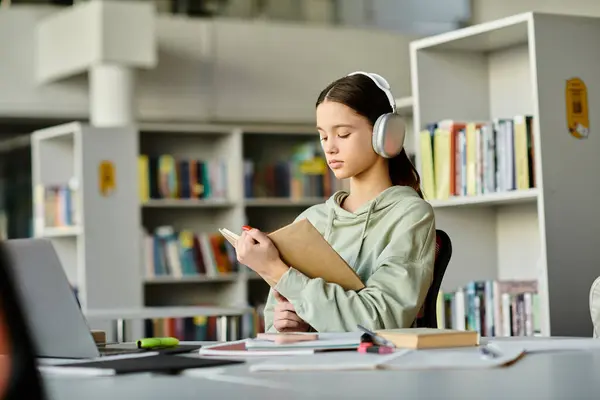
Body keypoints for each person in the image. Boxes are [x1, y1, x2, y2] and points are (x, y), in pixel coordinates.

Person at [235, 71, 436, 333]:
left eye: (342, 134)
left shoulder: (410, 215)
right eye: (323, 136)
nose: (329, 148)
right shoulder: (311, 221)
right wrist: (288, 326)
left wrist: (276, 271)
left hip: (374, 366)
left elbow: (377, 321)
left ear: (387, 134)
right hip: (311, 366)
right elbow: (275, 324)